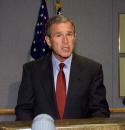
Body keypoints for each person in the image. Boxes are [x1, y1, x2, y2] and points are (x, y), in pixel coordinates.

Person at [15, 15, 110, 121]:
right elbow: (24, 111)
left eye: (69, 34)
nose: (65, 41)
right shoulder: (32, 70)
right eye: (59, 35)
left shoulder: (92, 70)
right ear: (48, 41)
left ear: (74, 37)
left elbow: (100, 112)